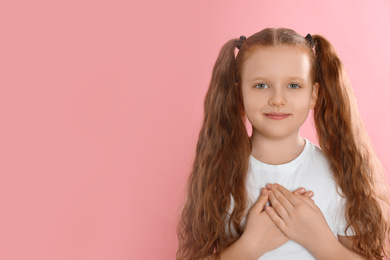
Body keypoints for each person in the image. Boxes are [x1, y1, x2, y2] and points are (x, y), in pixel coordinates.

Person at [176, 27, 390, 260]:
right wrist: (249, 246)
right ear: (239, 95)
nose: (277, 99)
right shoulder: (218, 173)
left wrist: (320, 242)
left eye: (294, 85)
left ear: (314, 94)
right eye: (261, 85)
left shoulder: (340, 173)